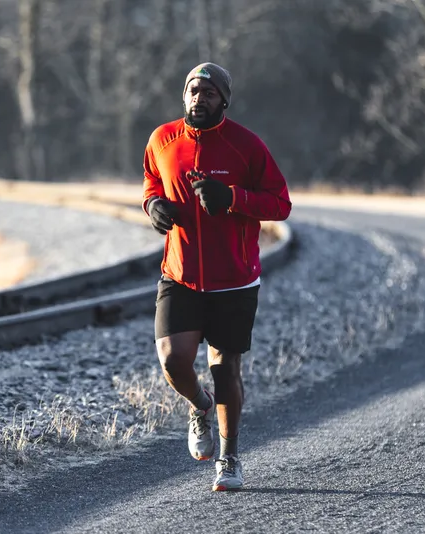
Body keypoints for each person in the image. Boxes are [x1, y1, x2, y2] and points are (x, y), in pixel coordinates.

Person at [141, 62, 291, 491]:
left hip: (234, 279)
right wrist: (152, 206)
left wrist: (232, 198)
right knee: (173, 360)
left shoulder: (247, 146)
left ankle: (229, 458)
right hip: (180, 274)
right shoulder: (162, 139)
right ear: (183, 95)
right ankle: (199, 405)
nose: (199, 98)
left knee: (226, 369)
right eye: (193, 90)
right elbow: (152, 182)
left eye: (208, 92)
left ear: (223, 100)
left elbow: (279, 205)